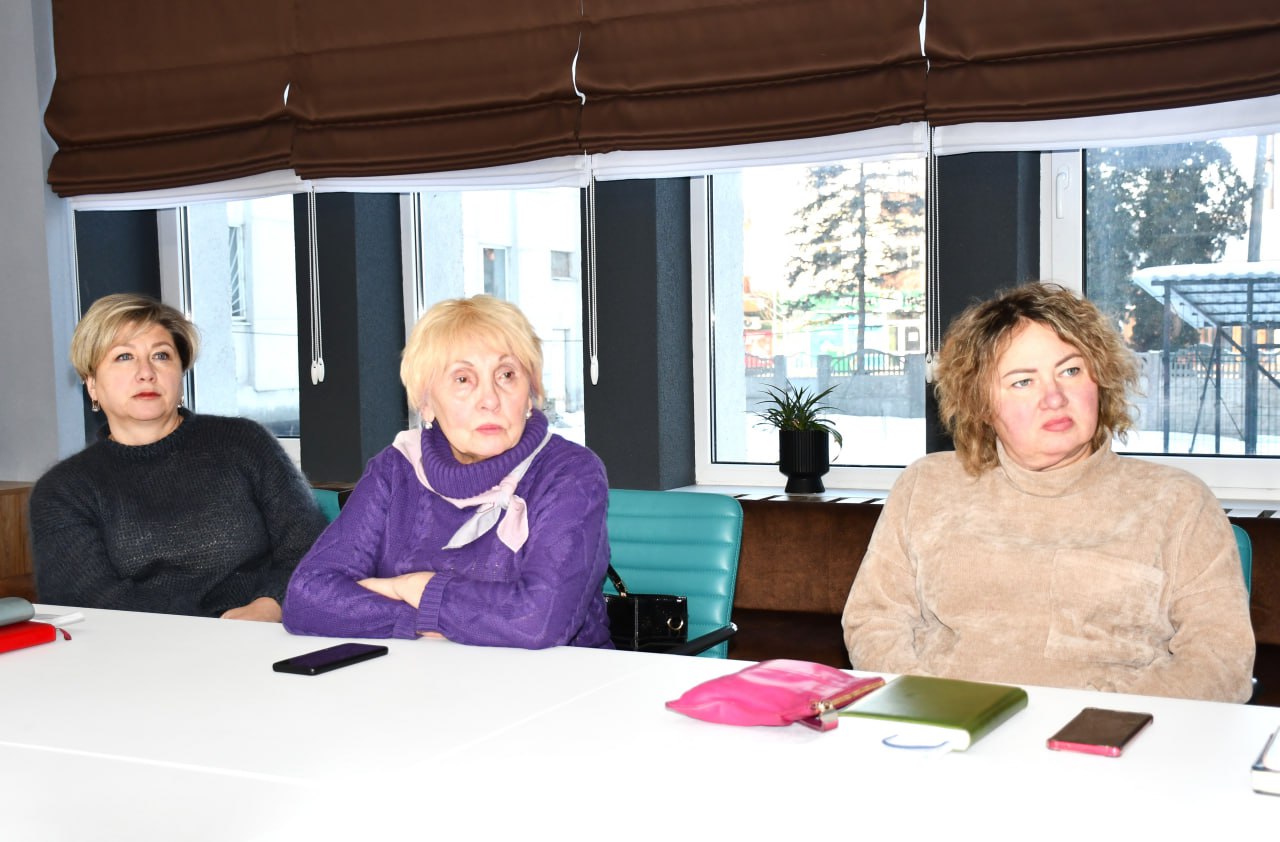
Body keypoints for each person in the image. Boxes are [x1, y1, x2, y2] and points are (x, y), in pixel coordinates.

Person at [842, 282, 1254, 702]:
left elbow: (1220, 662)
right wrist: (932, 709)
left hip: (1111, 735)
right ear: (981, 405)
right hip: (948, 726)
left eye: (1070, 371)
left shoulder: (1177, 502)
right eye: (1023, 381)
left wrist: (1099, 722)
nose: (1054, 398)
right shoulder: (926, 486)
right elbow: (874, 622)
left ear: (1101, 379)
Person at [282, 295, 611, 648]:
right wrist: (418, 617)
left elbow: (536, 622)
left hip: (557, 679)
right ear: (426, 404)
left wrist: (416, 588)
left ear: (530, 392)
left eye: (506, 375)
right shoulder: (396, 469)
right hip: (417, 676)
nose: (490, 400)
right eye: (463, 379)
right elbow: (306, 599)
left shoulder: (570, 474)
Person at [30, 294, 327, 620]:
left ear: (180, 374)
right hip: (143, 644)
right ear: (92, 384)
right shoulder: (63, 490)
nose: (146, 372)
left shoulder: (245, 443)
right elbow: (87, 600)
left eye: (161, 355)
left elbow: (312, 546)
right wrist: (210, 630)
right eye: (124, 357)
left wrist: (271, 605)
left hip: (268, 630)